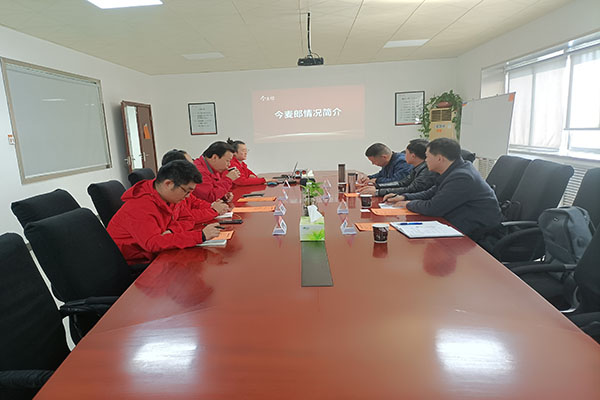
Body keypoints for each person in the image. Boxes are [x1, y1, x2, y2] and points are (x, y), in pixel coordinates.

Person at [107, 160, 222, 265]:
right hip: (137, 263)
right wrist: (200, 236)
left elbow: (187, 219)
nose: (187, 197)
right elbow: (153, 243)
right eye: (186, 191)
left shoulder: (171, 197)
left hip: (159, 254)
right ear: (168, 184)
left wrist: (172, 230)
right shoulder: (139, 206)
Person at [386, 138, 502, 240]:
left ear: (440, 159)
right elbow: (431, 192)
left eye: (427, 156)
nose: (425, 160)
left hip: (477, 233)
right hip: (458, 223)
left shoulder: (462, 177)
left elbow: (433, 208)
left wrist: (408, 204)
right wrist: (404, 197)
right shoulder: (454, 170)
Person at [161, 149, 229, 222]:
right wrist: (214, 210)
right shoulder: (172, 190)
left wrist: (212, 206)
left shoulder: (183, 184)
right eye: (191, 165)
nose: (195, 168)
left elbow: (195, 202)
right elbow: (185, 217)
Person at [358, 139, 437, 197]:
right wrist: (376, 186)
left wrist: (378, 191)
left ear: (413, 156)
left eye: (406, 153)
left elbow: (410, 189)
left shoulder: (426, 170)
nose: (403, 154)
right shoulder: (416, 168)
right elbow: (402, 183)